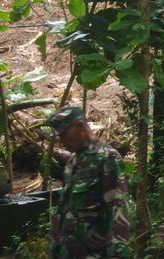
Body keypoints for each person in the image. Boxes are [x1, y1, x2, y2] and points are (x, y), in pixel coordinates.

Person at [45, 106, 130, 258]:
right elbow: (63, 211)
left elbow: (118, 211)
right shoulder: (72, 162)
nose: (61, 141)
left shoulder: (107, 158)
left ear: (79, 126)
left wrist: (118, 254)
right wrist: (54, 249)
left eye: (64, 135)